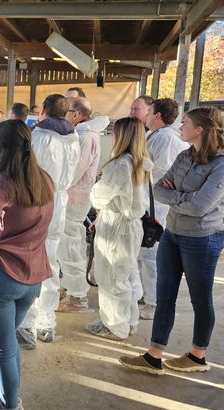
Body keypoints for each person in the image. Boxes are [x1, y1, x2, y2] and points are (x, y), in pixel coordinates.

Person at [119, 107, 224, 374]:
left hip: (202, 238)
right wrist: (188, 196)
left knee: (200, 299)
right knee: (165, 295)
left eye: (186, 123)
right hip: (173, 233)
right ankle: (154, 354)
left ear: (200, 130)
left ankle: (198, 355)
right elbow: (159, 189)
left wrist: (181, 197)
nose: (180, 126)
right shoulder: (186, 155)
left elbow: (200, 207)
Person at [0, 119, 55, 410]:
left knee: (3, 347)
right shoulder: (44, 179)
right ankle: (12, 398)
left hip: (3, 278)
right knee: (9, 344)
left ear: (2, 149)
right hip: (33, 278)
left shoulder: (2, 183)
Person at [16, 94, 80, 348]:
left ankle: (26, 324)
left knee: (31, 261)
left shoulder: (39, 136)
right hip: (59, 201)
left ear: (43, 110)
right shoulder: (73, 137)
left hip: (37, 200)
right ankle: (47, 321)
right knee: (51, 259)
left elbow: (28, 169)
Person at [85, 117, 152, 340]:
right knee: (125, 276)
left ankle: (115, 326)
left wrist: (95, 190)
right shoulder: (141, 161)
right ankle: (128, 321)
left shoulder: (120, 164)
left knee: (111, 278)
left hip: (117, 227)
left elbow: (99, 195)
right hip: (130, 226)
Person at [129, 98, 189, 320]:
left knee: (151, 256)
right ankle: (146, 295)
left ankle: (154, 302)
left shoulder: (166, 138)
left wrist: (138, 169)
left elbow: (162, 172)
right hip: (148, 202)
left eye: (148, 111)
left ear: (157, 116)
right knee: (144, 255)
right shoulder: (153, 135)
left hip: (158, 205)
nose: (144, 114)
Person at [58, 97, 108, 312]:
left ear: (77, 114)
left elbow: (73, 171)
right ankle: (70, 289)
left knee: (71, 247)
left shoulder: (84, 135)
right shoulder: (88, 133)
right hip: (76, 197)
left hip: (73, 197)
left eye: (67, 111)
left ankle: (77, 295)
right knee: (69, 245)